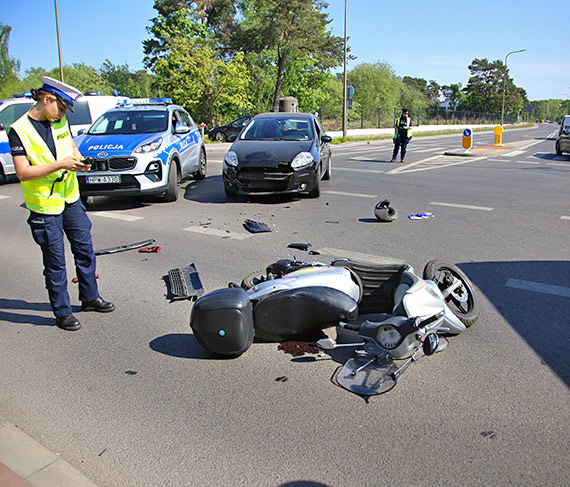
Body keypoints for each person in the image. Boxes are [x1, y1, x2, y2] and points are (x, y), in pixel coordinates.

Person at [8, 76, 114, 331]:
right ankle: (62, 312)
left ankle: (90, 298)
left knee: (84, 249)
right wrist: (60, 164)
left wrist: (79, 161)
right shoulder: (18, 130)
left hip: (70, 198)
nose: (64, 113)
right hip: (45, 206)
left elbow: (70, 148)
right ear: (47, 99)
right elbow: (22, 172)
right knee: (55, 262)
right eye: (62, 107)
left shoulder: (60, 120)